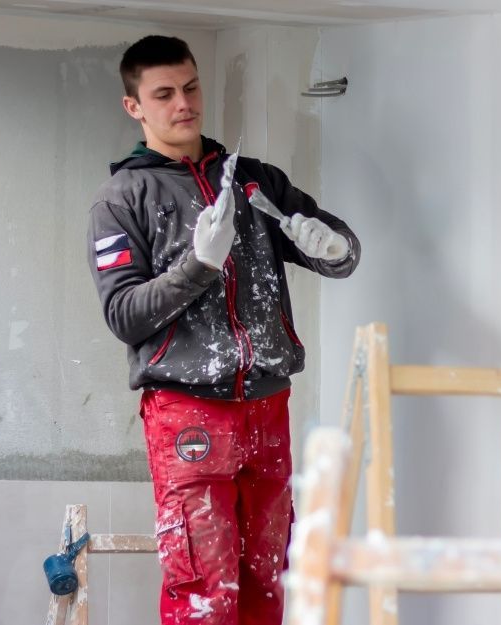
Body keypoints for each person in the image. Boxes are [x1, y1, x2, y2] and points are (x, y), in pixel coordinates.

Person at [86, 35, 360, 625]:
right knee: (204, 592)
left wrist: (336, 248)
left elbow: (335, 249)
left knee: (269, 578)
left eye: (190, 87)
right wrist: (198, 265)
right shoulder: (123, 198)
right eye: (163, 94)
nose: (183, 103)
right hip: (188, 412)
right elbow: (124, 314)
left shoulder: (254, 180)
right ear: (134, 105)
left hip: (267, 404)